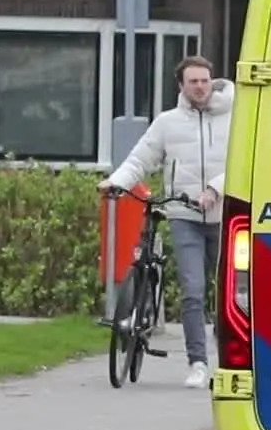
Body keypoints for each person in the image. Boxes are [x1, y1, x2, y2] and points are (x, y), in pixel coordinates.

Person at [98, 56, 233, 390]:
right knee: (192, 291)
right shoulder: (167, 123)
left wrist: (216, 189)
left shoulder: (236, 118)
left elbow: (245, 163)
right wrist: (116, 182)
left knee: (233, 293)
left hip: (227, 216)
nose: (200, 87)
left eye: (205, 80)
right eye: (193, 82)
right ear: (181, 86)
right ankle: (198, 363)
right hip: (184, 215)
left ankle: (234, 362)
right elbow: (140, 158)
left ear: (212, 81)